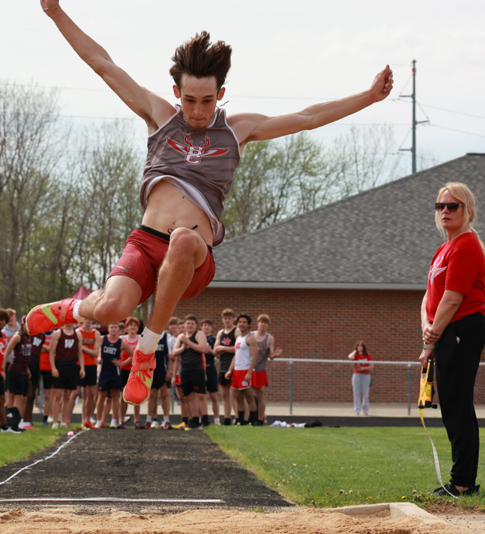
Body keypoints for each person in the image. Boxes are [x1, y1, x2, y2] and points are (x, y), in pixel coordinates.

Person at [27, 1, 393, 411]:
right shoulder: (160, 116)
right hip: (146, 243)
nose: (197, 111)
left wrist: (368, 97)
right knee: (111, 308)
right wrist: (55, 12)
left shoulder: (238, 129)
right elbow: (103, 64)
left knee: (183, 239)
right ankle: (73, 306)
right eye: (189, 100)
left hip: (193, 254)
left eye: (206, 100)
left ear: (220, 94)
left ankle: (146, 352)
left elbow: (308, 116)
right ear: (176, 93)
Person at [419, 182, 485, 497]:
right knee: (453, 404)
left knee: (456, 404)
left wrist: (430, 341)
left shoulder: (466, 245)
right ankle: (462, 480)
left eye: (452, 206)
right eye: (440, 206)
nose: (444, 211)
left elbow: (452, 298)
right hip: (446, 328)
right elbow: (429, 296)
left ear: (468, 210)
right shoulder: (443, 248)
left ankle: (461, 483)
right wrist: (427, 327)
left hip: (463, 326)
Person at [172, 315, 210, 428]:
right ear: (184, 325)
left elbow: (202, 349)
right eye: (187, 323)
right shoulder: (181, 337)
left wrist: (188, 343)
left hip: (197, 368)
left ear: (196, 325)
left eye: (192, 323)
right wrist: (184, 346)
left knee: (200, 395)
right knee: (188, 396)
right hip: (184, 369)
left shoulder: (199, 334)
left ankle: (205, 419)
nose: (189, 326)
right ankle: (194, 420)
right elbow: (175, 352)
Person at [225, 314, 260, 425]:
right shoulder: (239, 338)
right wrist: (230, 370)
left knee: (249, 397)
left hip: (246, 370)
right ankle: (241, 421)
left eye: (244, 322)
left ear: (249, 324)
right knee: (238, 398)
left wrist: (249, 372)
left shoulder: (250, 338)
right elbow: (236, 355)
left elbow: (255, 356)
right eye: (240, 322)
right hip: (236, 371)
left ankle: (253, 421)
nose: (242, 324)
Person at [48, 323, 85, 429]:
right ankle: (55, 421)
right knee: (58, 395)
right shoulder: (58, 333)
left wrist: (82, 368)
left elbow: (80, 352)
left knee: (67, 396)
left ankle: (64, 421)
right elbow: (51, 352)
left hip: (72, 366)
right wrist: (53, 368)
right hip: (60, 365)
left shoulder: (78, 334)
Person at [96, 323, 132, 429]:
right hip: (103, 371)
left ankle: (113, 421)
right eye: (111, 327)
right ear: (108, 329)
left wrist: (122, 363)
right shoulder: (102, 339)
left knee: (115, 396)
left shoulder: (121, 343)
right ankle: (99, 421)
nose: (113, 329)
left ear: (118, 329)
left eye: (115, 327)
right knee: (101, 396)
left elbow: (133, 354)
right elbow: (96, 350)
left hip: (115, 372)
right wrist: (98, 358)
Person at [253, 314, 282, 424]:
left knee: (260, 395)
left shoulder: (269, 338)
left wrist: (275, 354)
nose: (263, 324)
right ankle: (250, 418)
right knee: (249, 394)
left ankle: (260, 419)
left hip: (261, 369)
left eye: (265, 322)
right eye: (261, 322)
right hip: (250, 369)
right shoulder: (251, 335)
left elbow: (270, 355)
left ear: (267, 325)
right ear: (257, 323)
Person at [3, 321, 32, 429]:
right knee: (17, 398)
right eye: (27, 325)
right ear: (22, 325)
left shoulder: (29, 337)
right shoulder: (18, 336)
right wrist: (2, 370)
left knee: (24, 398)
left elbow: (25, 355)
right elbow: (7, 352)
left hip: (24, 371)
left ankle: (18, 420)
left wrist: (28, 369)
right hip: (15, 370)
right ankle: (14, 422)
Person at [146, 324, 172, 429]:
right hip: (151, 370)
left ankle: (166, 420)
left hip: (163, 370)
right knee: (152, 396)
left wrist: (169, 371)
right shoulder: (149, 337)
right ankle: (150, 420)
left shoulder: (167, 336)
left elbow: (170, 356)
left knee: (164, 396)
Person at [77, 319, 102, 429]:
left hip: (92, 365)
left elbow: (96, 353)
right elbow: (77, 351)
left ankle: (89, 418)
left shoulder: (96, 333)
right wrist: (87, 349)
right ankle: (83, 420)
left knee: (92, 393)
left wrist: (83, 347)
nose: (88, 321)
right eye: (86, 319)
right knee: (82, 394)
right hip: (79, 365)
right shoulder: (78, 332)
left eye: (90, 319)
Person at [215, 309, 237, 425]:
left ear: (233, 319)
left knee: (234, 394)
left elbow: (238, 348)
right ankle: (227, 418)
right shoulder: (220, 332)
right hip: (223, 365)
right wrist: (225, 349)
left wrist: (223, 348)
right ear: (222, 320)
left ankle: (238, 417)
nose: (227, 320)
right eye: (225, 318)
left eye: (229, 318)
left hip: (234, 366)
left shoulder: (236, 331)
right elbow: (215, 349)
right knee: (224, 395)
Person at [200, 319, 220, 425]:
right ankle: (201, 418)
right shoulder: (198, 338)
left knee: (213, 396)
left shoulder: (214, 339)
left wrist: (211, 351)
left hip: (211, 368)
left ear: (211, 327)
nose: (206, 327)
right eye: (204, 325)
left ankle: (217, 420)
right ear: (201, 327)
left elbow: (219, 355)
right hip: (200, 369)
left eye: (208, 325)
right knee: (200, 396)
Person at [348, 340, 373, 416]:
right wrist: (355, 351)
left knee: (365, 393)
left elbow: (371, 366)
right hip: (356, 374)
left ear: (363, 347)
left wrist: (363, 368)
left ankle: (365, 410)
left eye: (361, 346)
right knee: (356, 392)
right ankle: (357, 410)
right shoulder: (355, 355)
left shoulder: (367, 355)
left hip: (365, 375)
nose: (360, 347)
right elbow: (350, 357)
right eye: (358, 346)